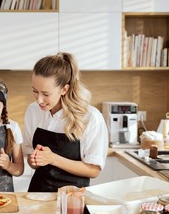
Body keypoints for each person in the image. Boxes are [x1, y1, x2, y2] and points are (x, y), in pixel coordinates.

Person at [23, 52, 108, 192]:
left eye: (46, 94)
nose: (39, 100)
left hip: (72, 199)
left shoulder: (90, 117)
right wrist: (34, 161)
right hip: (38, 194)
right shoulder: (33, 111)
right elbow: (31, 159)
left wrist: (53, 159)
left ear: (64, 89)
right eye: (35, 91)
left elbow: (94, 170)